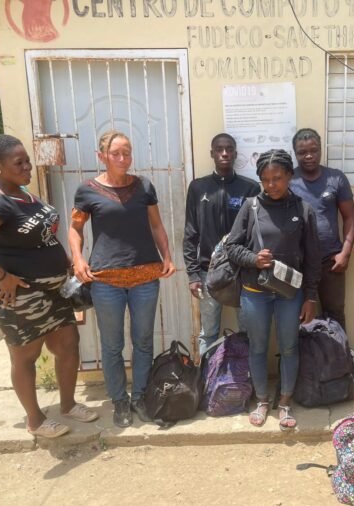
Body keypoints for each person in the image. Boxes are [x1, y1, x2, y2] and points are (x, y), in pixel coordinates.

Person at [0, 134, 98, 438]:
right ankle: (35, 420)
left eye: (27, 160)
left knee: (68, 346)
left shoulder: (25, 195)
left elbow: (44, 237)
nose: (27, 166)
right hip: (23, 298)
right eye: (19, 163)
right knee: (25, 357)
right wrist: (2, 276)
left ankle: (68, 405)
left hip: (56, 292)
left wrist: (67, 263)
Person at [69, 130, 176, 428]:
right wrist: (78, 259)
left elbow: (157, 225)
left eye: (126, 152)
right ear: (101, 156)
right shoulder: (87, 190)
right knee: (112, 345)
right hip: (106, 281)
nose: (122, 158)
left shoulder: (144, 186)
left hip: (145, 278)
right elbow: (75, 228)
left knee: (143, 341)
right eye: (115, 153)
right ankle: (119, 400)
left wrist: (167, 256)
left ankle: (139, 397)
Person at [225, 149, 320, 431]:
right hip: (255, 292)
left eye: (277, 178)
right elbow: (231, 247)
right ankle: (262, 400)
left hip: (290, 293)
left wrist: (310, 297)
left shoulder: (303, 209)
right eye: (265, 179)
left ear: (289, 176)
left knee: (289, 346)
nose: (271, 185)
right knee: (258, 346)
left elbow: (313, 259)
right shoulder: (251, 207)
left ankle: (285, 401)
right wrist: (253, 259)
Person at [183, 133, 260, 355]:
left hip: (242, 272)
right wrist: (193, 275)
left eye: (229, 149)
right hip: (208, 272)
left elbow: (255, 234)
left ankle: (247, 375)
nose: (224, 153)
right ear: (212, 153)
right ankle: (207, 374)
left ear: (235, 153)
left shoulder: (250, 188)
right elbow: (190, 233)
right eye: (219, 149)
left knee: (248, 331)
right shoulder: (198, 187)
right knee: (208, 332)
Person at [289, 128, 354, 330]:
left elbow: (349, 217)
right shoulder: (289, 180)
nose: (309, 156)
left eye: (314, 150)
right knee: (300, 318)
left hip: (331, 261)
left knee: (335, 316)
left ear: (320, 150)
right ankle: (306, 353)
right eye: (302, 152)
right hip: (299, 262)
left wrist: (345, 253)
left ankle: (337, 351)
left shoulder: (336, 178)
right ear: (295, 153)